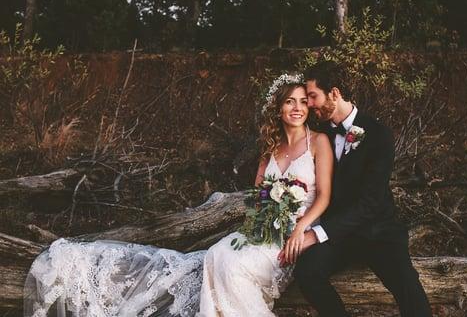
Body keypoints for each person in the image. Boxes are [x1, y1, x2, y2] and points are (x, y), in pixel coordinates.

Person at [23, 74, 333, 317]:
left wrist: (300, 228)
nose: (297, 108)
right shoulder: (270, 149)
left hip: (295, 236)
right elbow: (257, 196)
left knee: (232, 266)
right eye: (290, 101)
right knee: (215, 256)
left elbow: (324, 197)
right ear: (278, 108)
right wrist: (258, 221)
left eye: (304, 101)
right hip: (261, 230)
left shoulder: (319, 142)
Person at [287, 60, 432, 317]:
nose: (309, 104)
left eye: (312, 96)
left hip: (377, 230)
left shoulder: (378, 134)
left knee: (409, 289)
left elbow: (371, 203)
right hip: (340, 236)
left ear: (334, 93)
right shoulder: (320, 135)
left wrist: (316, 234)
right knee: (307, 272)